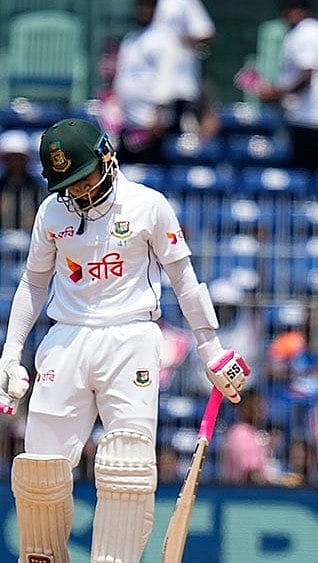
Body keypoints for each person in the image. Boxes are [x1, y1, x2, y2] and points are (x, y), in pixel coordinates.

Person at [0, 118, 249, 562]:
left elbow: (184, 280)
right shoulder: (52, 212)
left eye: (84, 178)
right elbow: (33, 283)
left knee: (127, 466)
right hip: (66, 337)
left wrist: (210, 348)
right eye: (68, 184)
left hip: (131, 337)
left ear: (107, 157)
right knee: (41, 469)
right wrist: (11, 352)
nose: (78, 191)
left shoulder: (147, 205)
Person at [258, 0, 318, 171]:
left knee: (307, 175)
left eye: (295, 9)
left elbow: (307, 74)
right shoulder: (311, 30)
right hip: (314, 116)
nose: (290, 13)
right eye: (288, 9)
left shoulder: (306, 32)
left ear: (305, 11)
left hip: (315, 117)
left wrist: (278, 94)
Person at [114, 0, 182, 165]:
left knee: (150, 172)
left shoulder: (164, 39)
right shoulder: (130, 40)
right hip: (128, 122)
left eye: (147, 7)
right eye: (140, 7)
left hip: (152, 123)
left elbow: (167, 78)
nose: (142, 11)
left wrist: (159, 116)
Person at [152, 0, 220, 139]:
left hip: (182, 83)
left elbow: (206, 32)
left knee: (183, 135)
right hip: (156, 82)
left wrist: (179, 41)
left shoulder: (184, 2)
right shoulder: (152, 4)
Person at [0, 130, 43, 231]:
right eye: (11, 158)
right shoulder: (1, 186)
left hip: (29, 237)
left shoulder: (37, 187)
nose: (15, 162)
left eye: (19, 158)